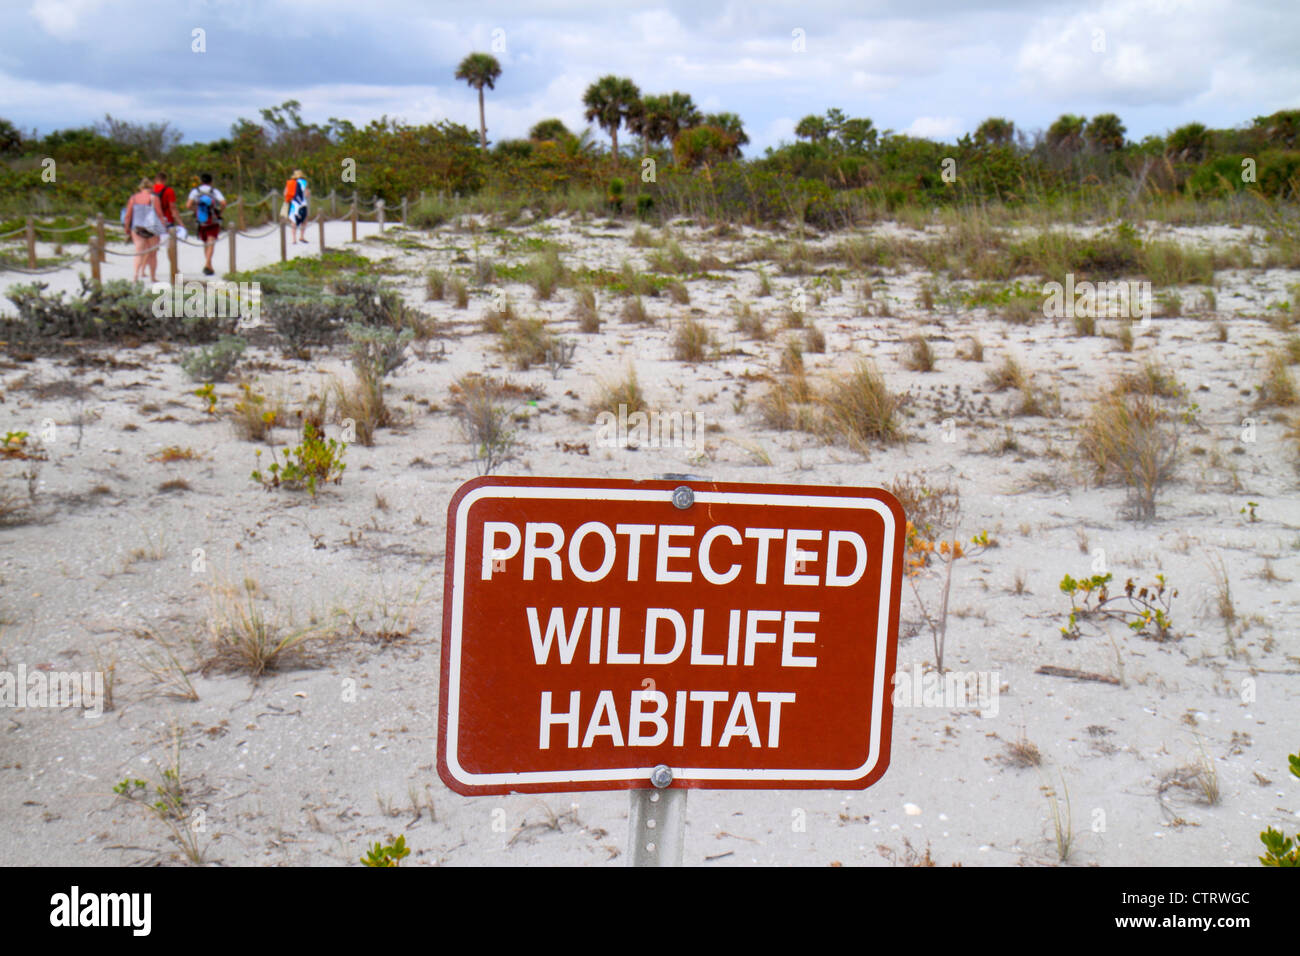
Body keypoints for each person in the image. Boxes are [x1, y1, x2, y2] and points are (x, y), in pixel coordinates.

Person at [124, 178, 166, 283]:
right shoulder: (154, 198)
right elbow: (160, 214)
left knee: (139, 252)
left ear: (141, 188)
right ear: (151, 187)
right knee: (152, 254)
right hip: (151, 228)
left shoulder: (133, 198)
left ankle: (135, 276)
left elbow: (128, 215)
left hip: (137, 227)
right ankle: (152, 277)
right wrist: (163, 227)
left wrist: (126, 228)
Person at [187, 172, 226, 276]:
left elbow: (188, 205)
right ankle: (207, 264)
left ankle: (209, 265)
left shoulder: (195, 191)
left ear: (201, 181)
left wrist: (196, 211)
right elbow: (223, 203)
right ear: (211, 182)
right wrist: (219, 212)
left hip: (201, 220)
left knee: (205, 242)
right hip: (213, 219)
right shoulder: (214, 191)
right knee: (211, 241)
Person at [284, 168, 310, 244]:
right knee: (304, 220)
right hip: (302, 204)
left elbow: (285, 193)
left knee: (293, 221)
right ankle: (301, 236)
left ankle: (294, 239)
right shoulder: (304, 182)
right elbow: (307, 194)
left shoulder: (290, 183)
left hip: (294, 204)